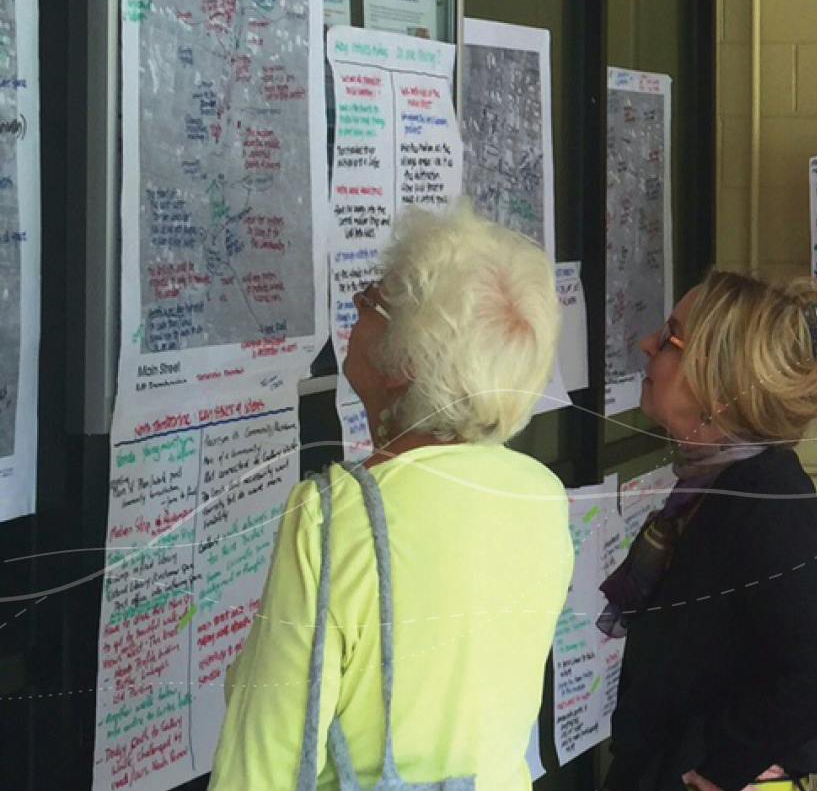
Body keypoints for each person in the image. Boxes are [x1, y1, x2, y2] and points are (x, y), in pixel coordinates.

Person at [217, 208, 576, 790]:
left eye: (369, 303)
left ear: (404, 366)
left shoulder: (335, 515)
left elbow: (261, 761)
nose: (354, 314)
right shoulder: (541, 495)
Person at [606, 271, 817, 791]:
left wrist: (718, 763)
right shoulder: (715, 484)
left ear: (715, 376)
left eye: (669, 337)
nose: (646, 345)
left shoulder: (764, 495)